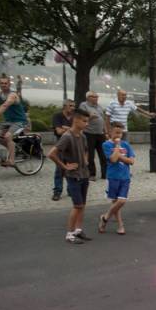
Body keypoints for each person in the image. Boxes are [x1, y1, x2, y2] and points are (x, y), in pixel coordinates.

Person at [47, 109, 91, 245]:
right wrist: (64, 166)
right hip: (74, 176)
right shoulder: (67, 137)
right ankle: (70, 234)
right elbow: (51, 154)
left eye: (87, 121)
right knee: (77, 205)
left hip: (84, 175)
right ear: (76, 120)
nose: (87, 124)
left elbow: (86, 150)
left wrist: (85, 160)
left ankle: (78, 230)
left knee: (82, 205)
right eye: (84, 121)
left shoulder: (82, 136)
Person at [99, 122, 135, 235]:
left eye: (120, 133)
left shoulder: (126, 145)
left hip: (125, 177)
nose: (118, 135)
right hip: (113, 177)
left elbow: (132, 161)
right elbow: (113, 159)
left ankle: (105, 217)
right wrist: (117, 147)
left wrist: (120, 157)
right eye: (116, 132)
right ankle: (120, 225)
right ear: (110, 132)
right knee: (115, 202)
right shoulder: (106, 145)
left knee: (121, 201)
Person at [0, 74, 29, 167]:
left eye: (5, 83)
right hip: (7, 121)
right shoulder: (0, 94)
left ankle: (11, 161)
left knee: (8, 136)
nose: (3, 85)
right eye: (1, 83)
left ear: (9, 84)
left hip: (20, 121)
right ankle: (12, 148)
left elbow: (5, 105)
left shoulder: (12, 95)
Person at [79, 91, 109, 181]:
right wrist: (90, 117)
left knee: (103, 154)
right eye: (94, 97)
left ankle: (105, 174)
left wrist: (106, 132)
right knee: (90, 155)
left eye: (97, 96)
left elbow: (103, 119)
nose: (96, 98)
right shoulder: (83, 105)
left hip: (100, 134)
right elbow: (81, 118)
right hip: (89, 133)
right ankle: (92, 174)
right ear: (88, 97)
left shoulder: (99, 106)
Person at [51, 100, 75, 200]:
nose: (72, 108)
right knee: (59, 169)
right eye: (70, 106)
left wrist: (65, 128)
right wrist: (71, 129)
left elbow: (78, 131)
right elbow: (59, 132)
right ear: (64, 106)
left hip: (72, 145)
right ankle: (57, 191)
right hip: (60, 145)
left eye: (73, 106)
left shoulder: (74, 117)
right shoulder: (58, 116)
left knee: (71, 168)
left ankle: (71, 190)